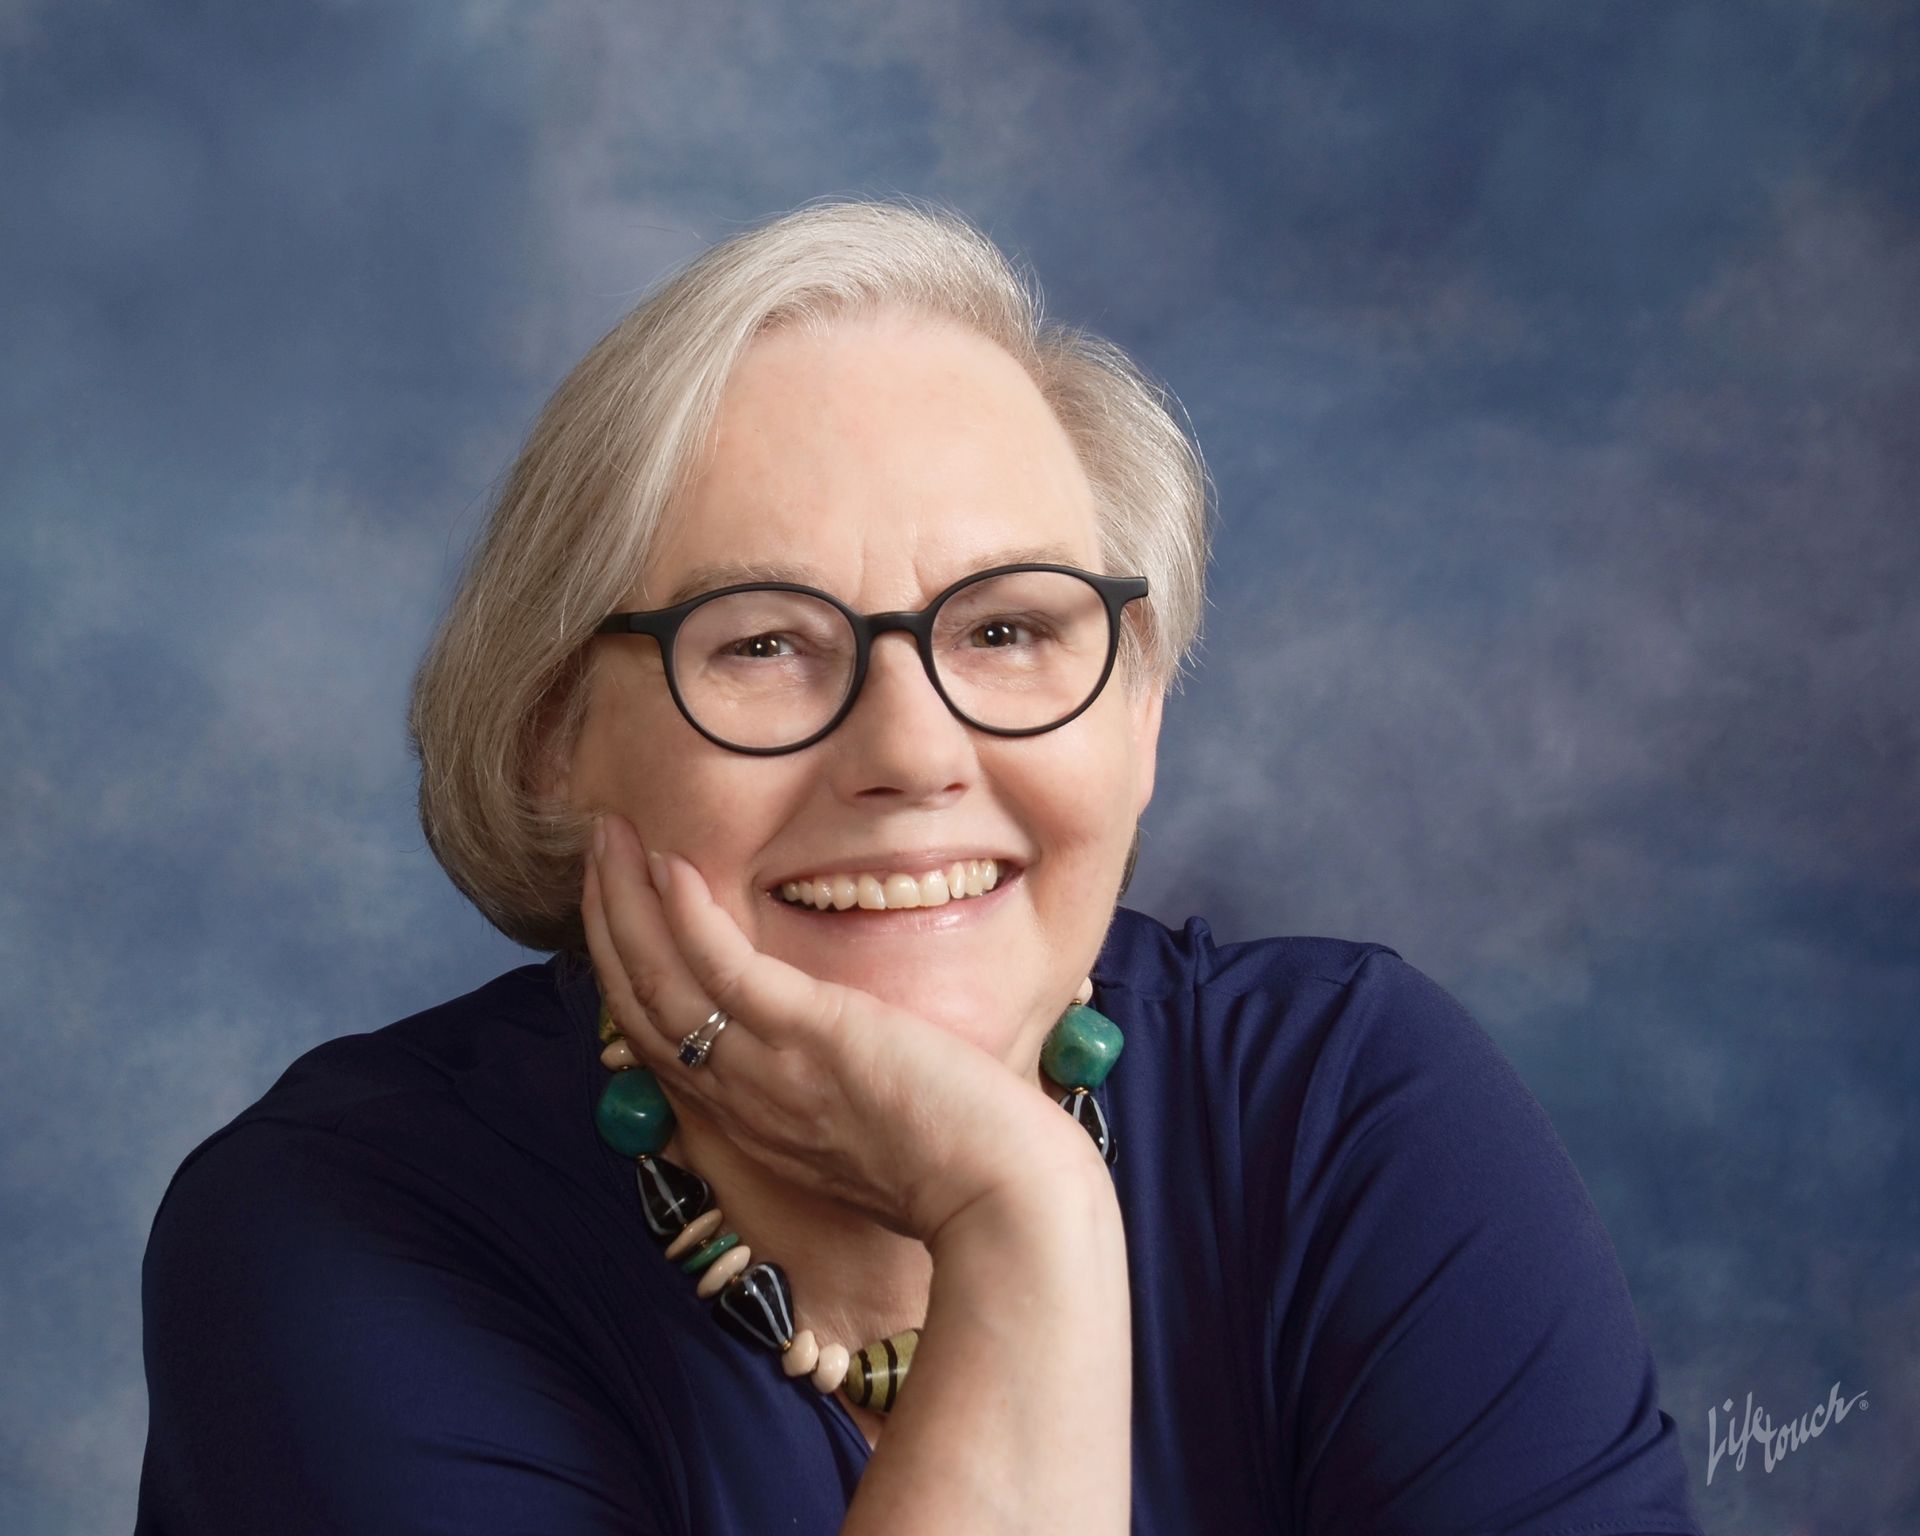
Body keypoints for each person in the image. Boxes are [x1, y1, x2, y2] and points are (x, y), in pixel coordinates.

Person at [136, 198, 1703, 1534]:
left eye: (1010, 629)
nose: (913, 749)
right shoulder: (330, 1230)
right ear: (557, 740)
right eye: (761, 643)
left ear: (1142, 709)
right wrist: (1024, 1222)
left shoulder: (1351, 1106)